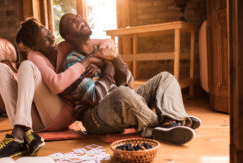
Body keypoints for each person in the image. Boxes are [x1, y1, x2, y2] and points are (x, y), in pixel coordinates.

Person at [0, 18, 114, 161]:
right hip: (35, 121)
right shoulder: (35, 56)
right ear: (35, 46)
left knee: (26, 66)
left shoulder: (64, 47)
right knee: (0, 68)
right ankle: (21, 133)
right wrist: (86, 62)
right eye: (44, 39)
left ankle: (18, 134)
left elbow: (107, 43)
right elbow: (56, 85)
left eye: (49, 33)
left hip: (62, 114)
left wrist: (93, 60)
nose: (51, 38)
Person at [58, 13, 201, 145]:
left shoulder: (103, 50)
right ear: (68, 36)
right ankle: (169, 123)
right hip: (95, 116)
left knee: (165, 78)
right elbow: (96, 97)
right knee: (121, 93)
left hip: (121, 104)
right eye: (72, 21)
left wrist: (115, 59)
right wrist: (108, 66)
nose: (78, 19)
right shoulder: (73, 62)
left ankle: (171, 121)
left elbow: (128, 83)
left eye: (78, 17)